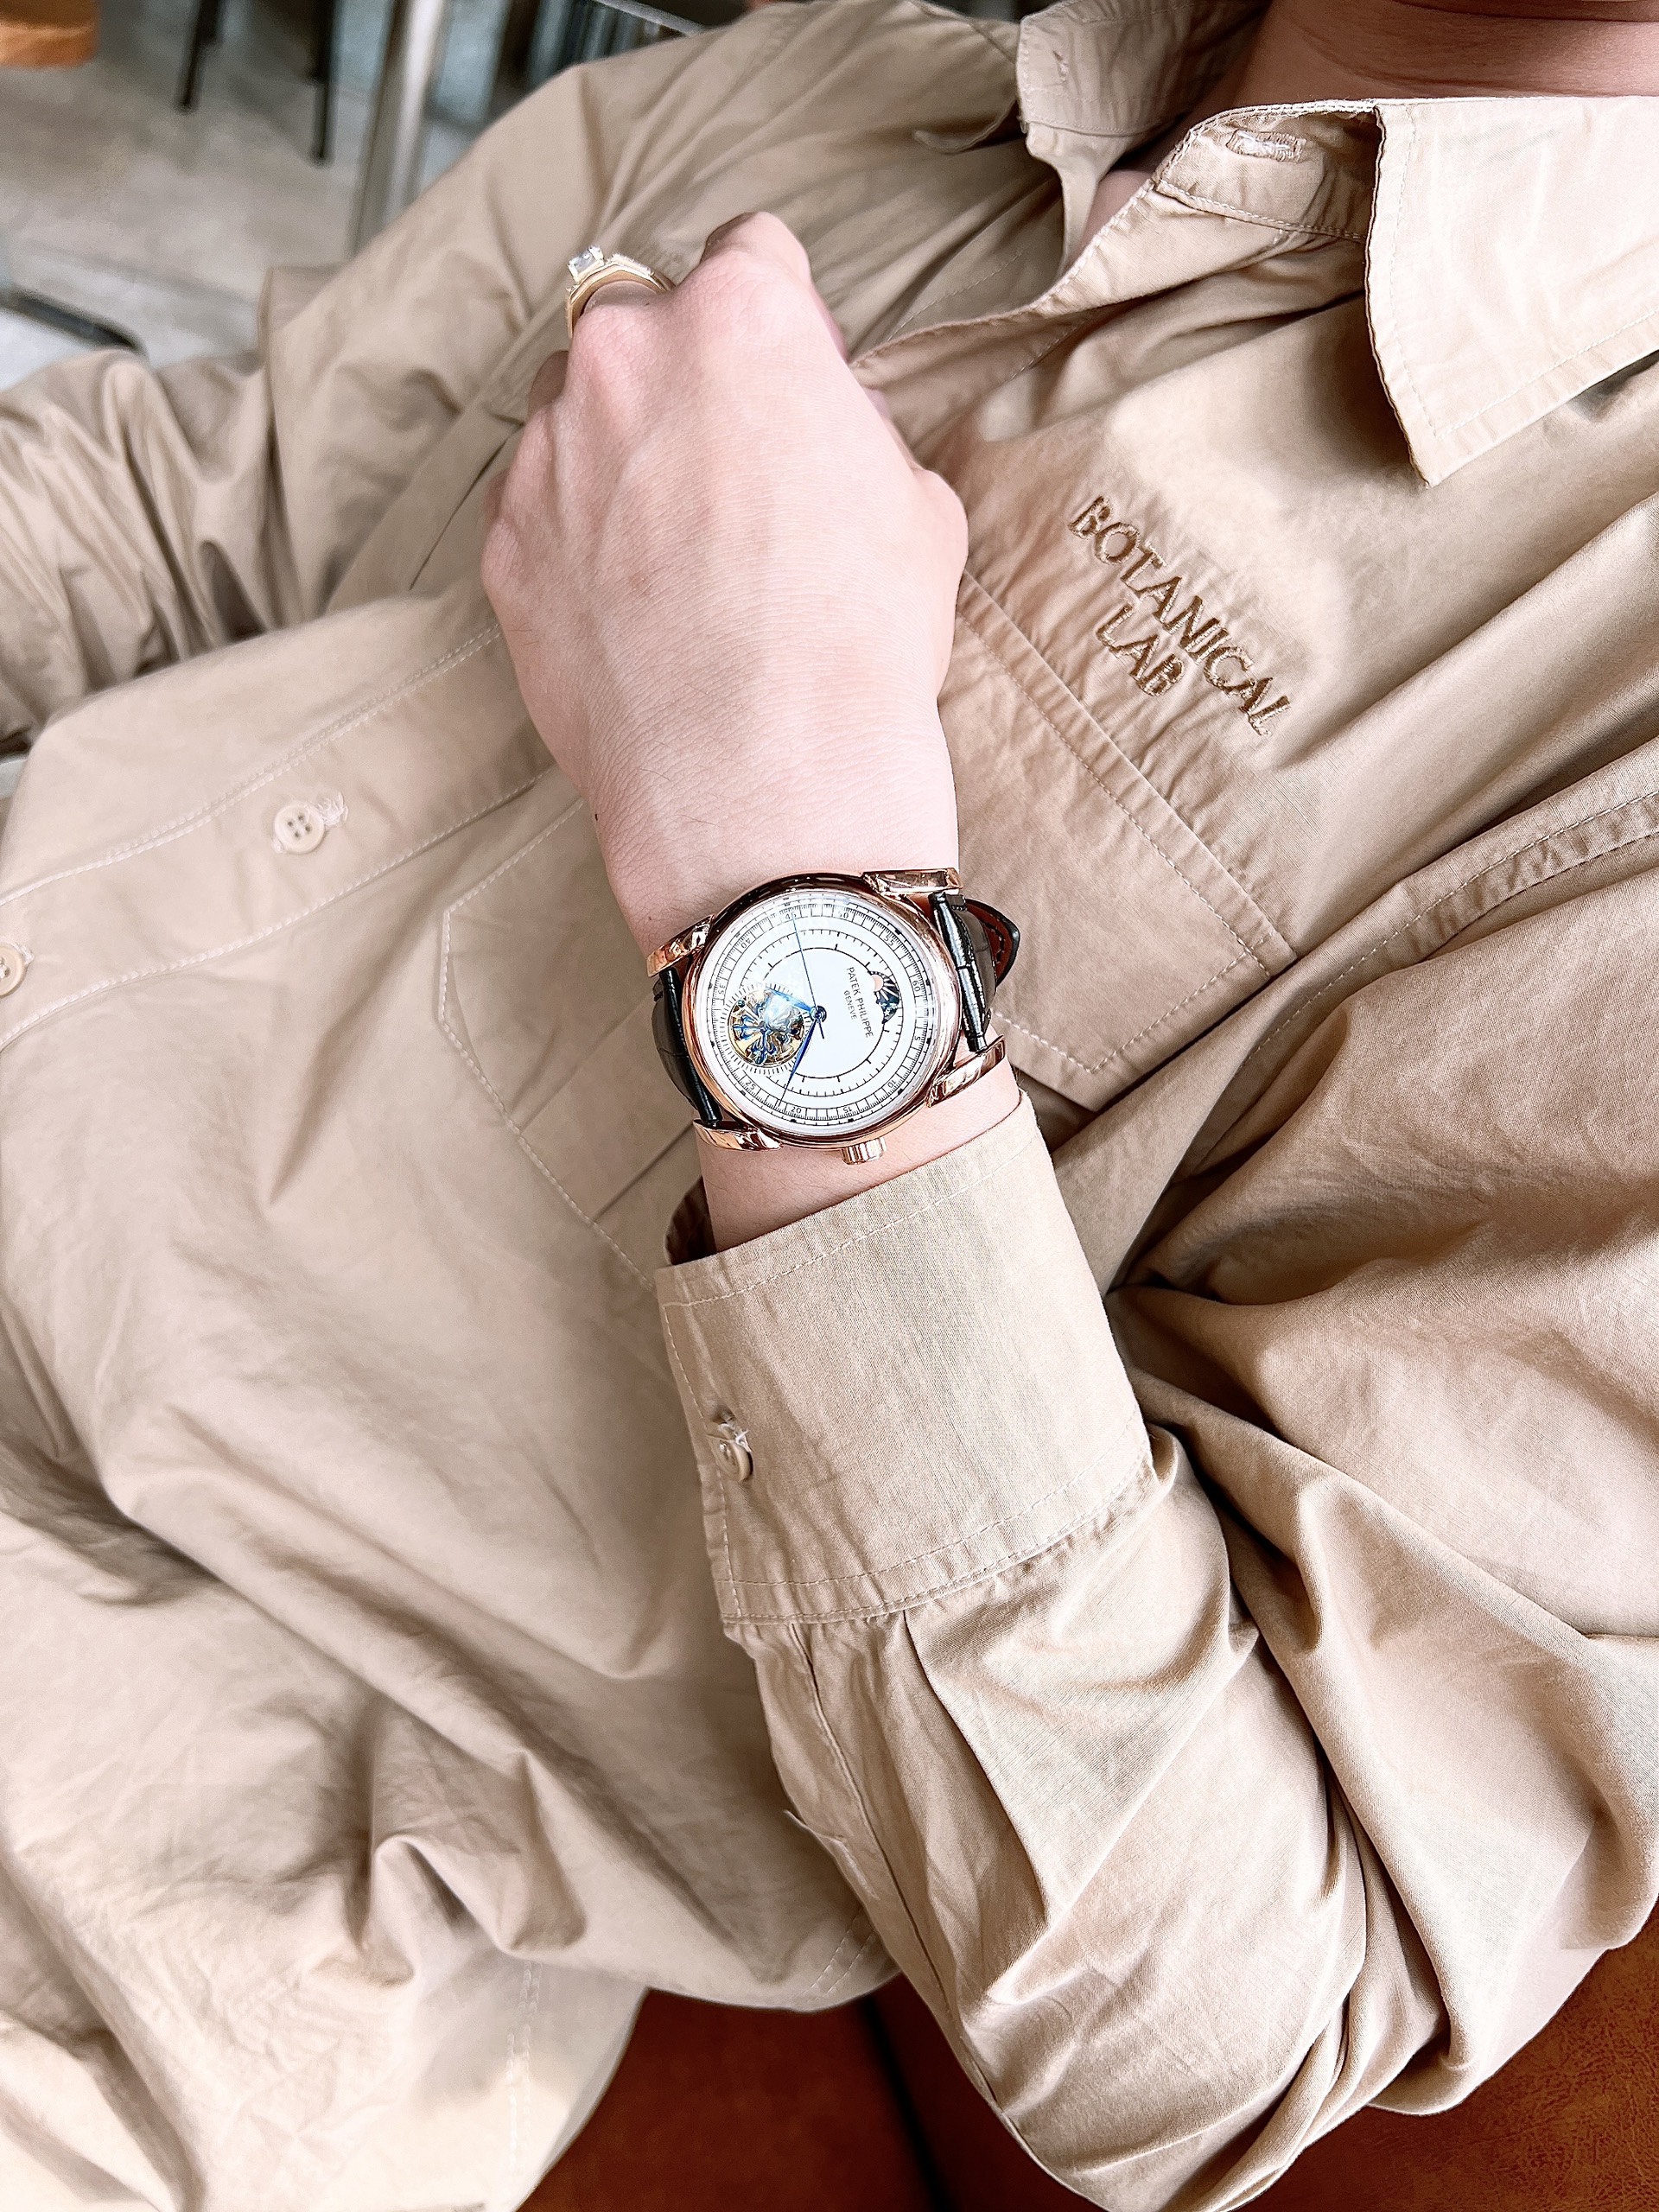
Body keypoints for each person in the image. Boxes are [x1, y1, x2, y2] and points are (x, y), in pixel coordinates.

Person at [1, 0, 1656, 2204]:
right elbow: (176, 509)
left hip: (126, 1844)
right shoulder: (843, 83)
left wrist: (783, 867)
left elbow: (1214, 2011)